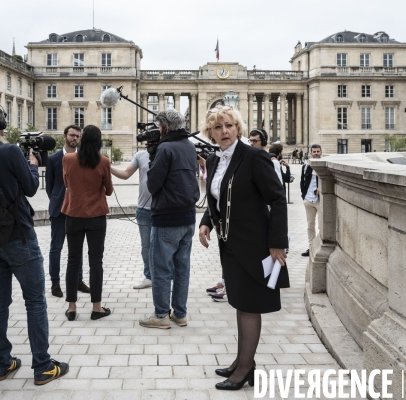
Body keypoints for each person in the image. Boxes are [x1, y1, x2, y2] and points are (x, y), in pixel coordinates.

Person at [0, 103, 68, 385]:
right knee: (34, 301)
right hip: (17, 237)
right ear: (1, 124)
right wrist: (33, 165)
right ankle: (43, 366)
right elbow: (32, 188)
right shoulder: (8, 151)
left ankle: (2, 363)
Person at [198, 105, 289, 391]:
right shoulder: (214, 160)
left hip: (256, 245)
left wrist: (277, 243)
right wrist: (206, 223)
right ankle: (241, 360)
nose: (224, 131)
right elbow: (216, 195)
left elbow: (276, 199)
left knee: (250, 306)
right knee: (239, 302)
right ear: (210, 133)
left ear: (237, 128)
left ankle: (245, 370)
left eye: (229, 125)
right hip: (230, 245)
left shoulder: (254, 157)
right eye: (217, 127)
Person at [139, 109, 199, 329]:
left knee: (161, 268)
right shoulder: (189, 146)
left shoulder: (165, 148)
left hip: (167, 217)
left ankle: (161, 315)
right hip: (188, 216)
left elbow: (153, 184)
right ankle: (180, 314)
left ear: (165, 127)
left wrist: (153, 157)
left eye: (158, 125)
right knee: (182, 267)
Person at [62, 125, 113, 321]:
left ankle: (72, 308)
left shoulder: (68, 159)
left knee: (73, 260)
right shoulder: (103, 162)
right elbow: (108, 191)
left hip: (73, 214)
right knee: (96, 261)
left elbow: (66, 183)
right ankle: (96, 308)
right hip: (96, 216)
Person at [45, 125, 90, 297]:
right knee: (56, 248)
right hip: (59, 210)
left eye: (78, 136)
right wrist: (59, 201)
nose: (75, 139)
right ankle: (55, 283)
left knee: (77, 248)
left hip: (77, 210)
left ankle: (78, 281)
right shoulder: (54, 159)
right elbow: (50, 187)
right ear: (64, 136)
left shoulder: (83, 158)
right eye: (72, 135)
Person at [111, 150, 152, 290]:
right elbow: (125, 174)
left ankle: (165, 278)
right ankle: (149, 277)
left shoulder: (167, 150)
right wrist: (106, 166)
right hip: (144, 209)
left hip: (163, 210)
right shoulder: (140, 155)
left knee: (163, 247)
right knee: (146, 247)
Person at [300, 144, 322, 257]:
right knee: (310, 225)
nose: (316, 153)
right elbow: (302, 182)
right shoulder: (305, 167)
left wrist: (321, 189)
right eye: (314, 151)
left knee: (321, 225)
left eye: (318, 151)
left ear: (321, 152)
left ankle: (320, 247)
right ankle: (311, 247)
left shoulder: (324, 166)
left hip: (320, 200)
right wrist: (303, 196)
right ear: (310, 153)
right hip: (308, 199)